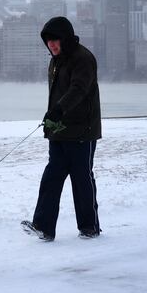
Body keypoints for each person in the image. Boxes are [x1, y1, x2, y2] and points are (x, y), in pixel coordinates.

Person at [21, 16, 101, 241]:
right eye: (48, 41)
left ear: (65, 39)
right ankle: (44, 227)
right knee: (52, 177)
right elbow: (57, 95)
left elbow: (78, 89)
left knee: (81, 179)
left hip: (82, 131)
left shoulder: (83, 59)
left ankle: (89, 227)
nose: (52, 45)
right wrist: (52, 120)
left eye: (56, 40)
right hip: (59, 131)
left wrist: (58, 110)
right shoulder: (56, 60)